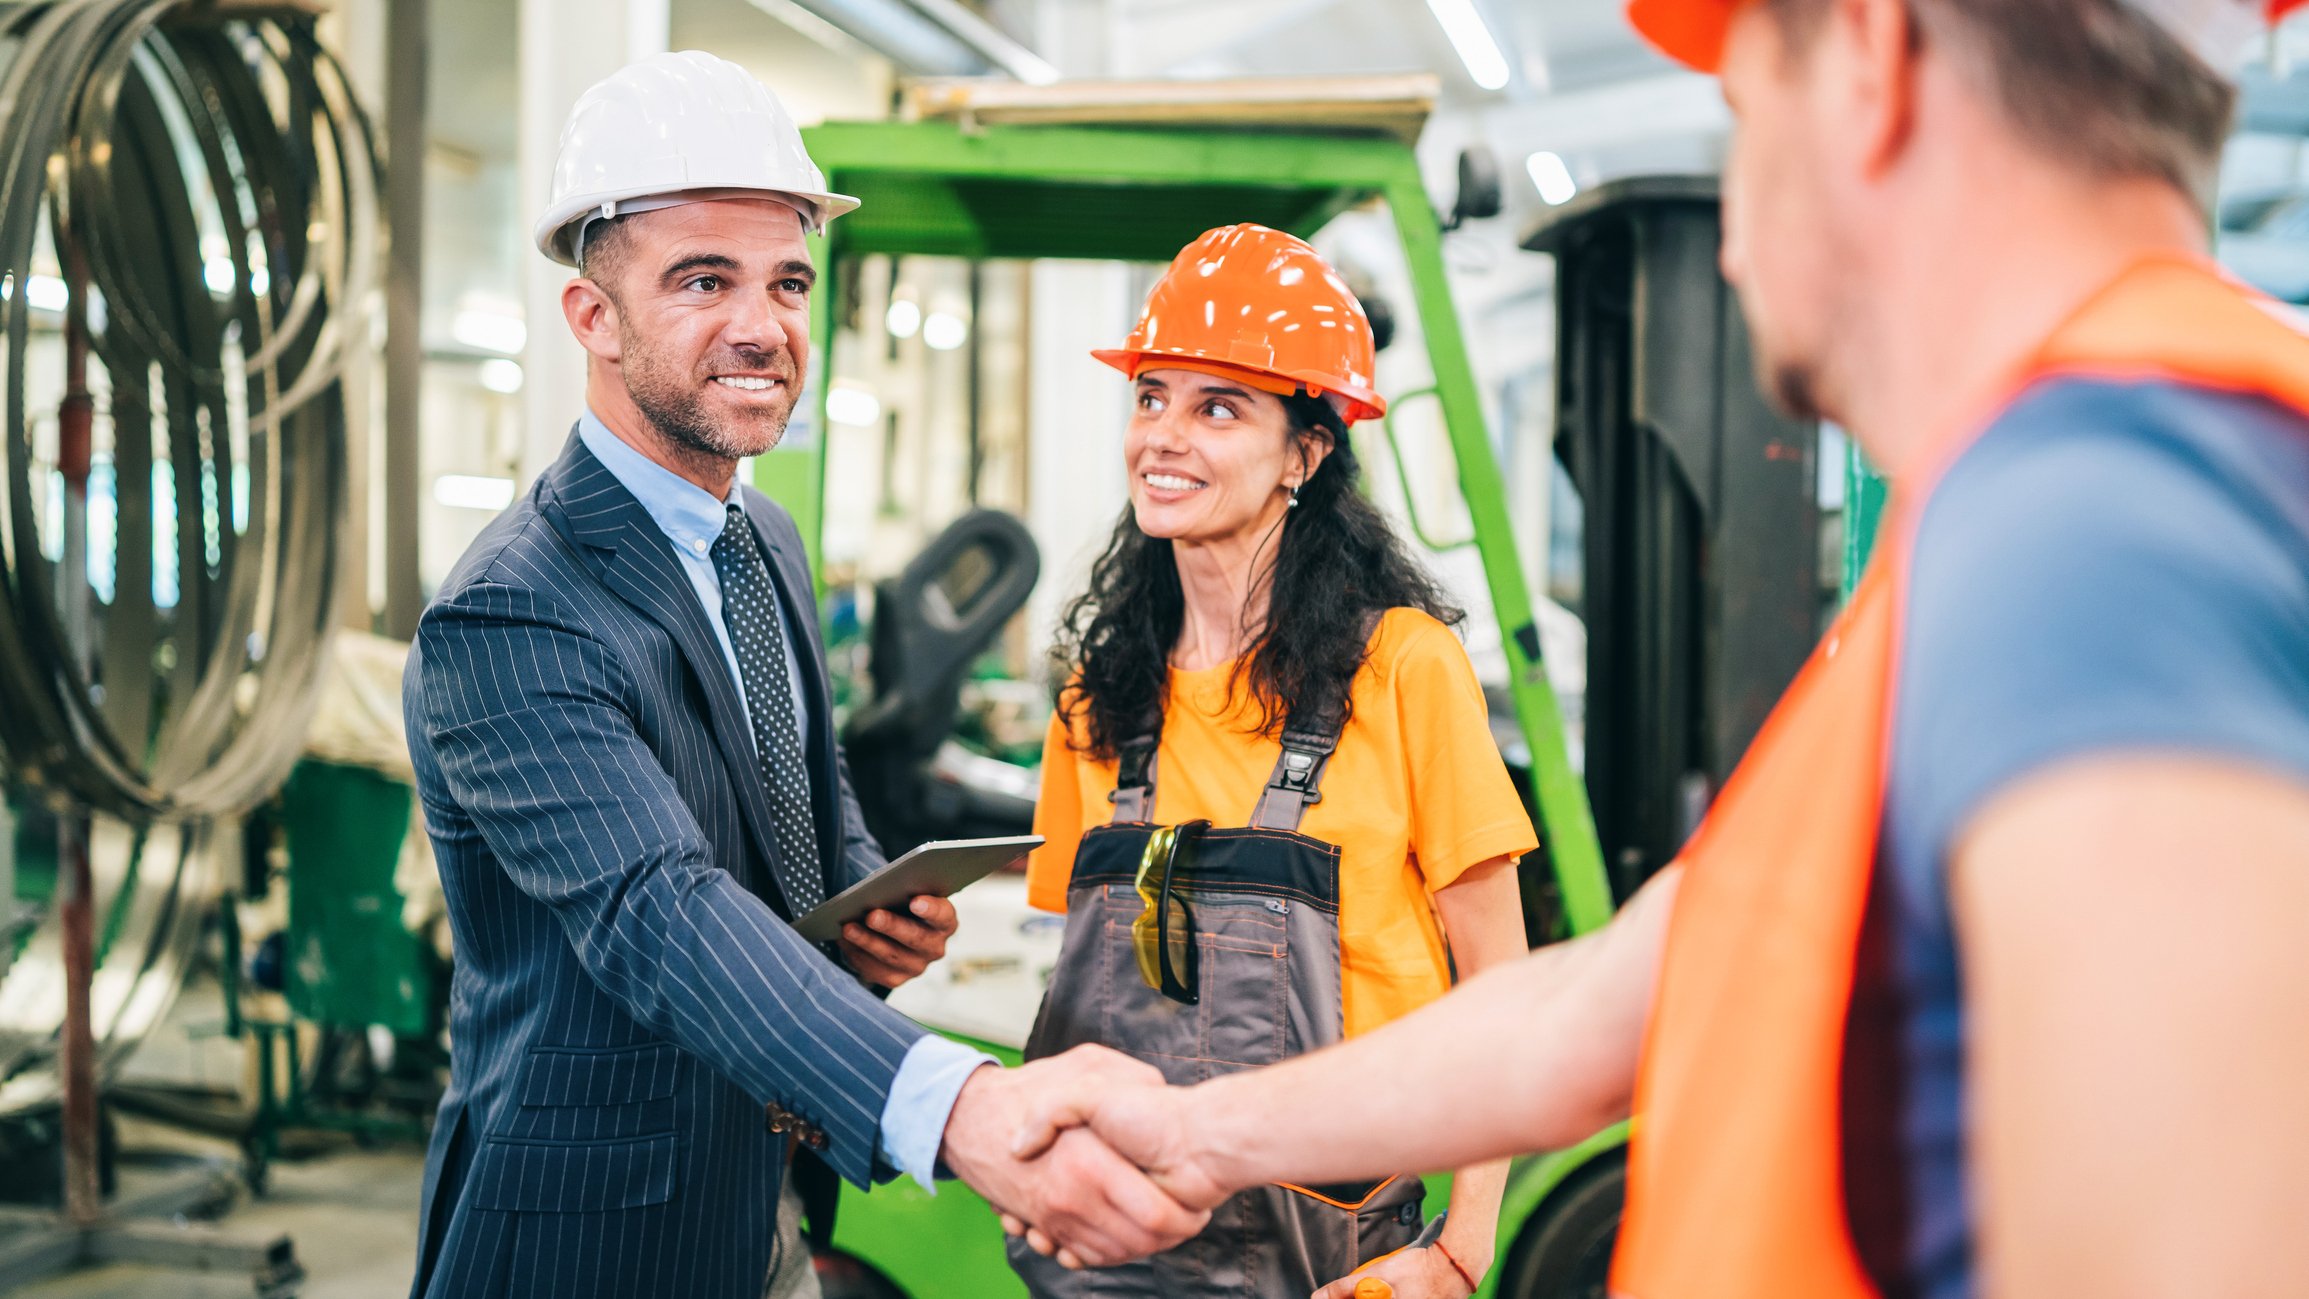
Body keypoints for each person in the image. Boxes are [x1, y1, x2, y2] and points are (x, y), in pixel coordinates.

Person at [1008, 2, 2309, 1296]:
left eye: (1742, 119)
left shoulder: (2112, 526)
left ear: (1871, 53)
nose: (1732, 242)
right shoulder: (2030, 523)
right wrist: (1193, 1132)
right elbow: (1576, 1023)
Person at [402, 51, 1203, 1299]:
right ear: (592, 317)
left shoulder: (756, 536)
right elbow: (656, 911)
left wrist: (863, 911)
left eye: (786, 281)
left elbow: (796, 782)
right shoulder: (513, 609)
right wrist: (958, 1107)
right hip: (590, 1237)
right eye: (702, 280)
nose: (761, 325)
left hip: (765, 1198)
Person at [1008, 224, 1536, 1299]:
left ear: (1306, 450)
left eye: (1218, 407)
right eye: (1151, 395)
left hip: (1340, 1259)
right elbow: (1085, 986)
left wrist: (1462, 1248)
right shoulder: (1098, 700)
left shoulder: (1401, 671)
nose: (1162, 435)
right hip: (1120, 1248)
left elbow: (1502, 984)